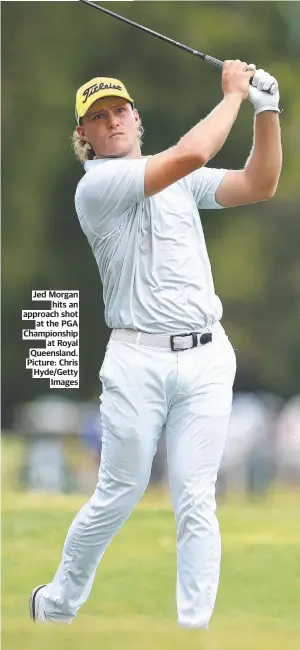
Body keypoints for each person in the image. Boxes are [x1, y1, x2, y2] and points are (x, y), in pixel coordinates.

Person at [29, 61, 282, 628]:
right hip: (136, 358)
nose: (111, 121)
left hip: (206, 355)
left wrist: (267, 112)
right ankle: (57, 604)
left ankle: (193, 631)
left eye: (119, 110)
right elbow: (191, 154)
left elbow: (260, 183)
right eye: (97, 117)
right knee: (121, 489)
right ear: (85, 139)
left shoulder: (180, 182)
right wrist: (235, 95)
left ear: (136, 119)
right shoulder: (96, 186)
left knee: (196, 499)